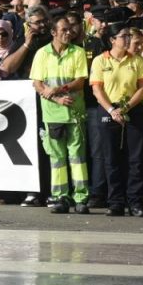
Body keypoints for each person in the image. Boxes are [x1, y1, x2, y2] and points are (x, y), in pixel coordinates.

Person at [88, 22, 143, 217]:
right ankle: (115, 201)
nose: (128, 40)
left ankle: (135, 202)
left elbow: (142, 88)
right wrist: (112, 109)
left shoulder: (137, 61)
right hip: (108, 109)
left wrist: (125, 108)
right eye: (123, 36)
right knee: (111, 158)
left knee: (136, 158)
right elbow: (97, 89)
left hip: (131, 109)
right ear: (112, 40)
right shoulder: (100, 61)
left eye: (128, 36)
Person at [30, 15, 90, 214]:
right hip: (52, 113)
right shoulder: (41, 53)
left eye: (70, 29)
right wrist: (56, 99)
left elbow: (80, 81)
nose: (68, 33)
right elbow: (38, 84)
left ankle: (81, 197)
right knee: (57, 158)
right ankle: (60, 197)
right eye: (63, 30)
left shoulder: (78, 52)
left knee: (77, 157)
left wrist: (58, 90)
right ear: (53, 32)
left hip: (74, 113)